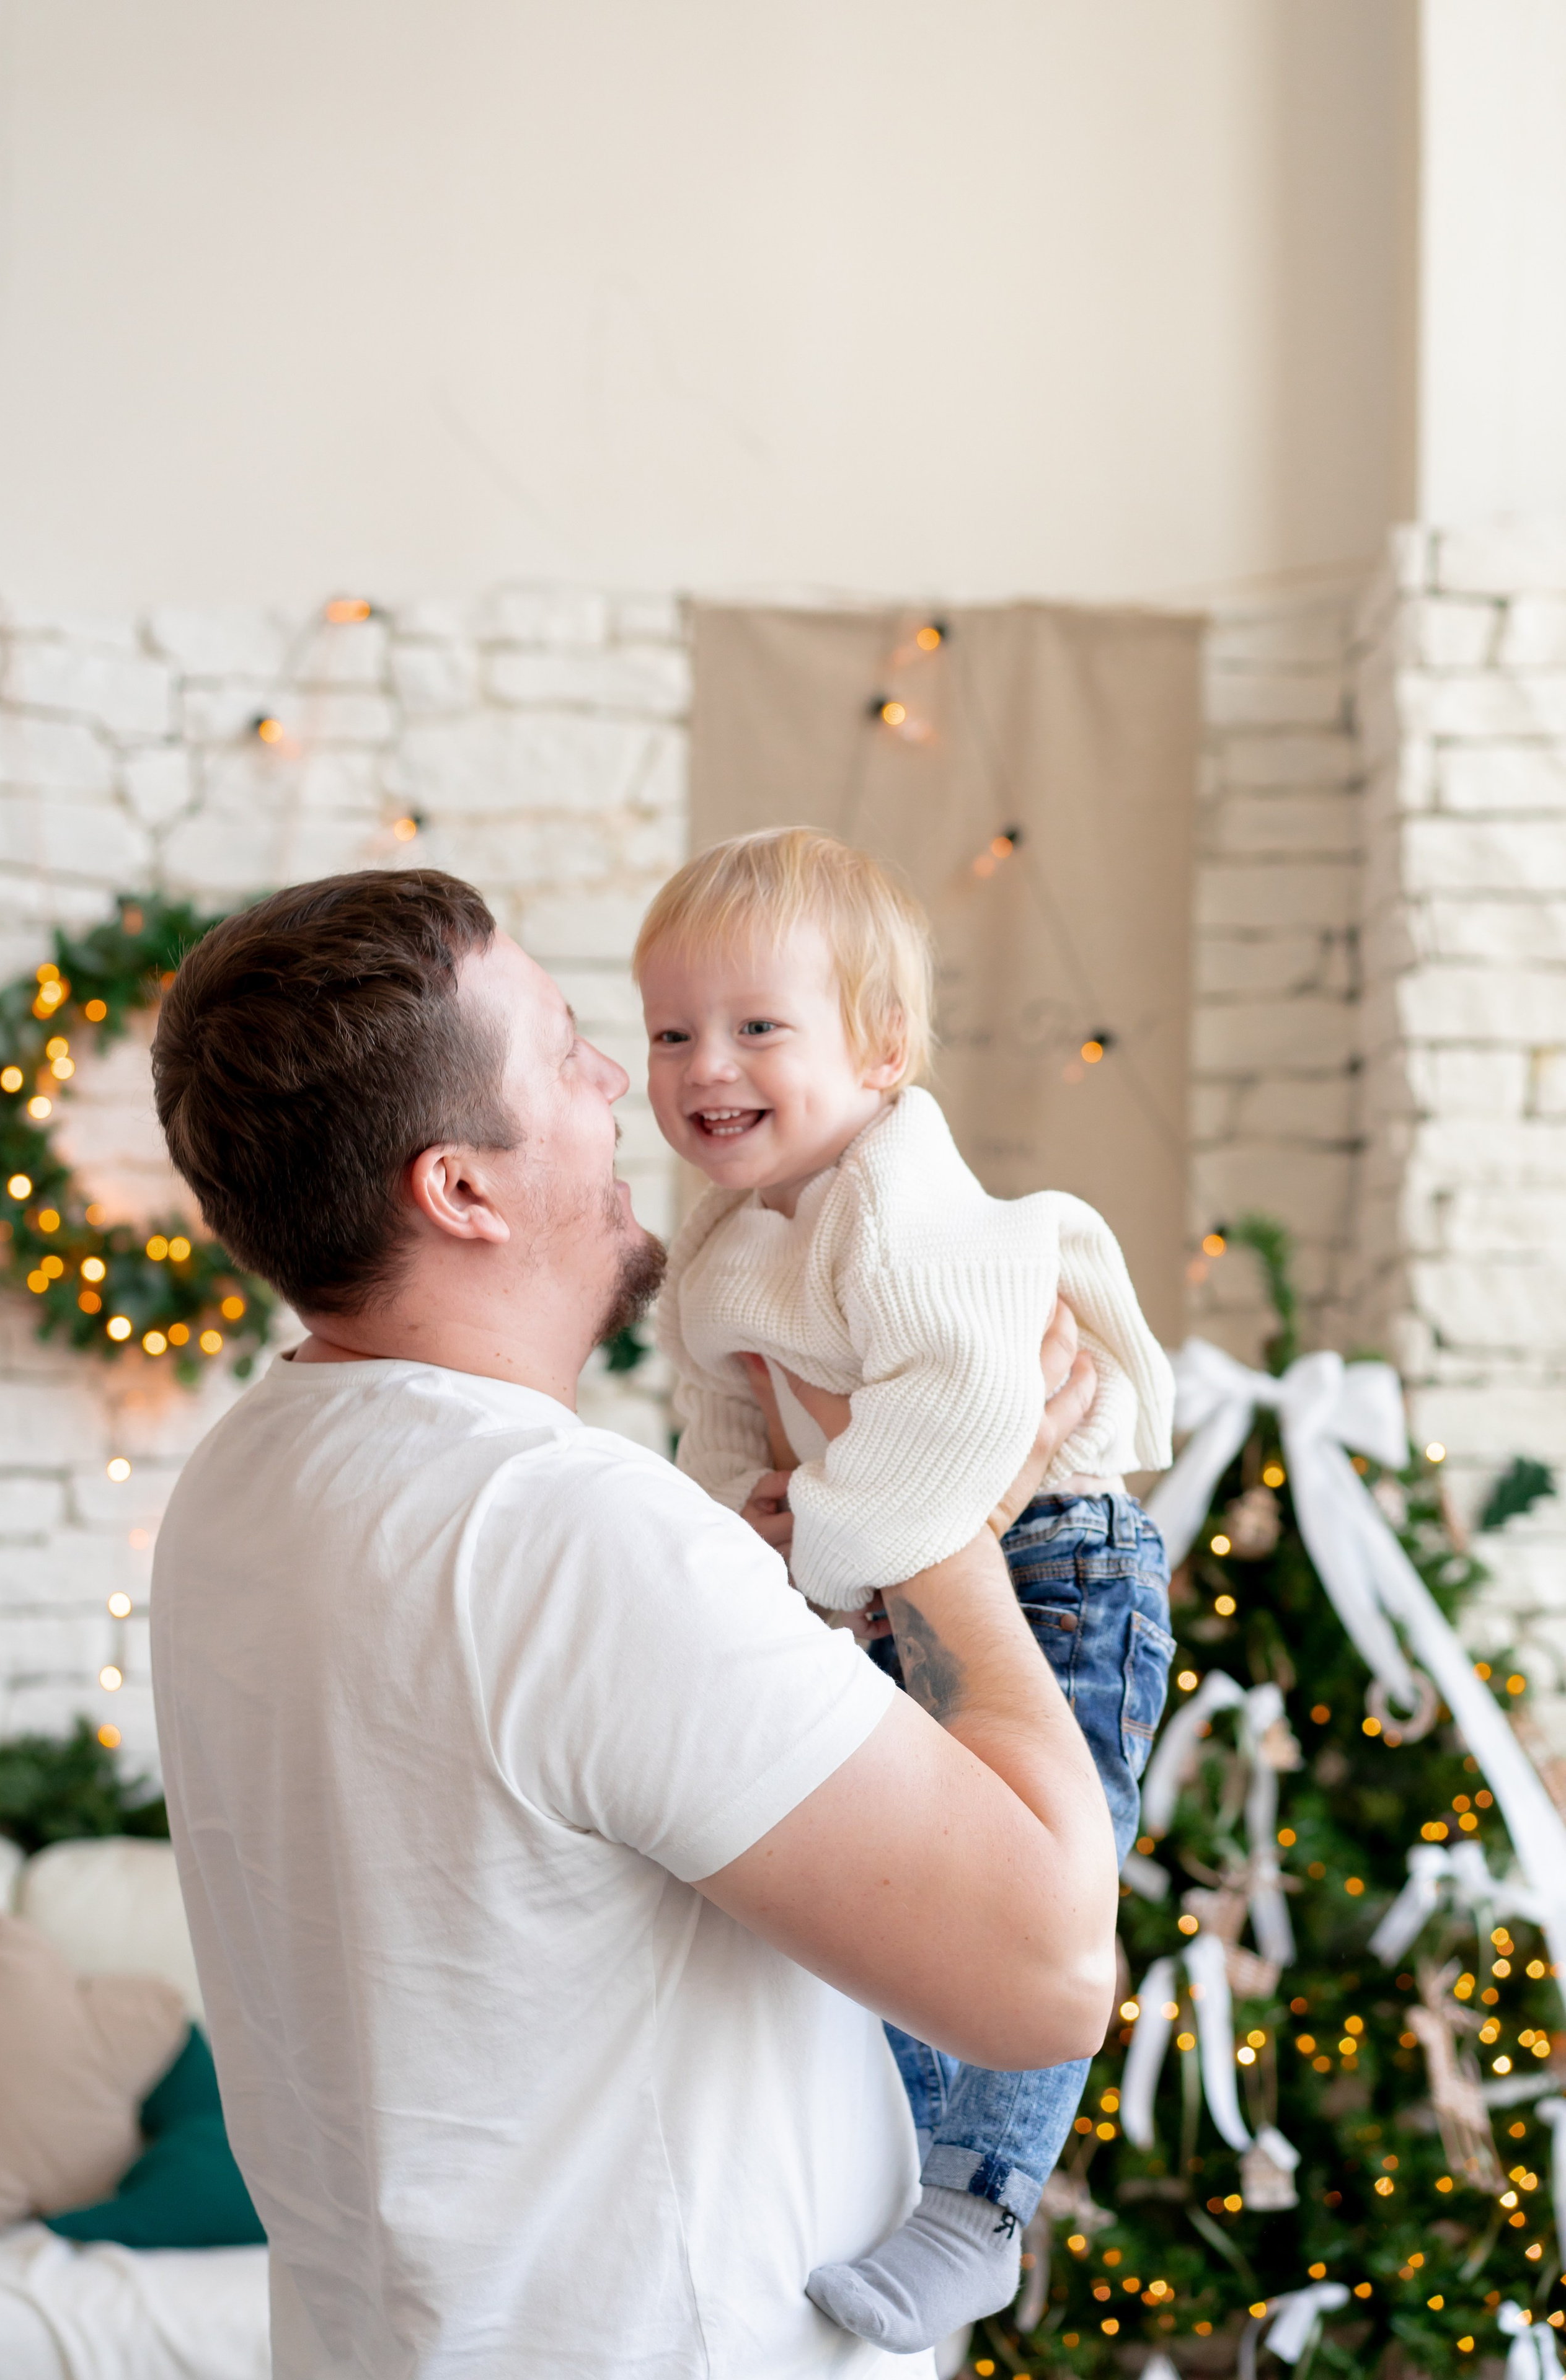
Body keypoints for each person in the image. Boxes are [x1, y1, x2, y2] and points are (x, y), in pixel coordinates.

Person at [147, 867, 1118, 2380]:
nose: (627, 1084)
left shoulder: (247, 1476)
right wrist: (956, 1541)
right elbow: (1048, 1976)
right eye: (568, 1052)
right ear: (460, 1188)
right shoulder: (571, 1534)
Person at [637, 829, 1177, 2354]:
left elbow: (959, 1408)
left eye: (754, 1027)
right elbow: (726, 1417)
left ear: (878, 1052)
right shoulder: (727, 1238)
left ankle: (981, 2202)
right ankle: (905, 2142)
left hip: (1057, 1568)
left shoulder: (899, 1199)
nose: (700, 1065)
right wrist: (724, 1546)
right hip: (883, 1571)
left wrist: (809, 1550)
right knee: (897, 1874)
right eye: (671, 1029)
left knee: (1033, 1882)